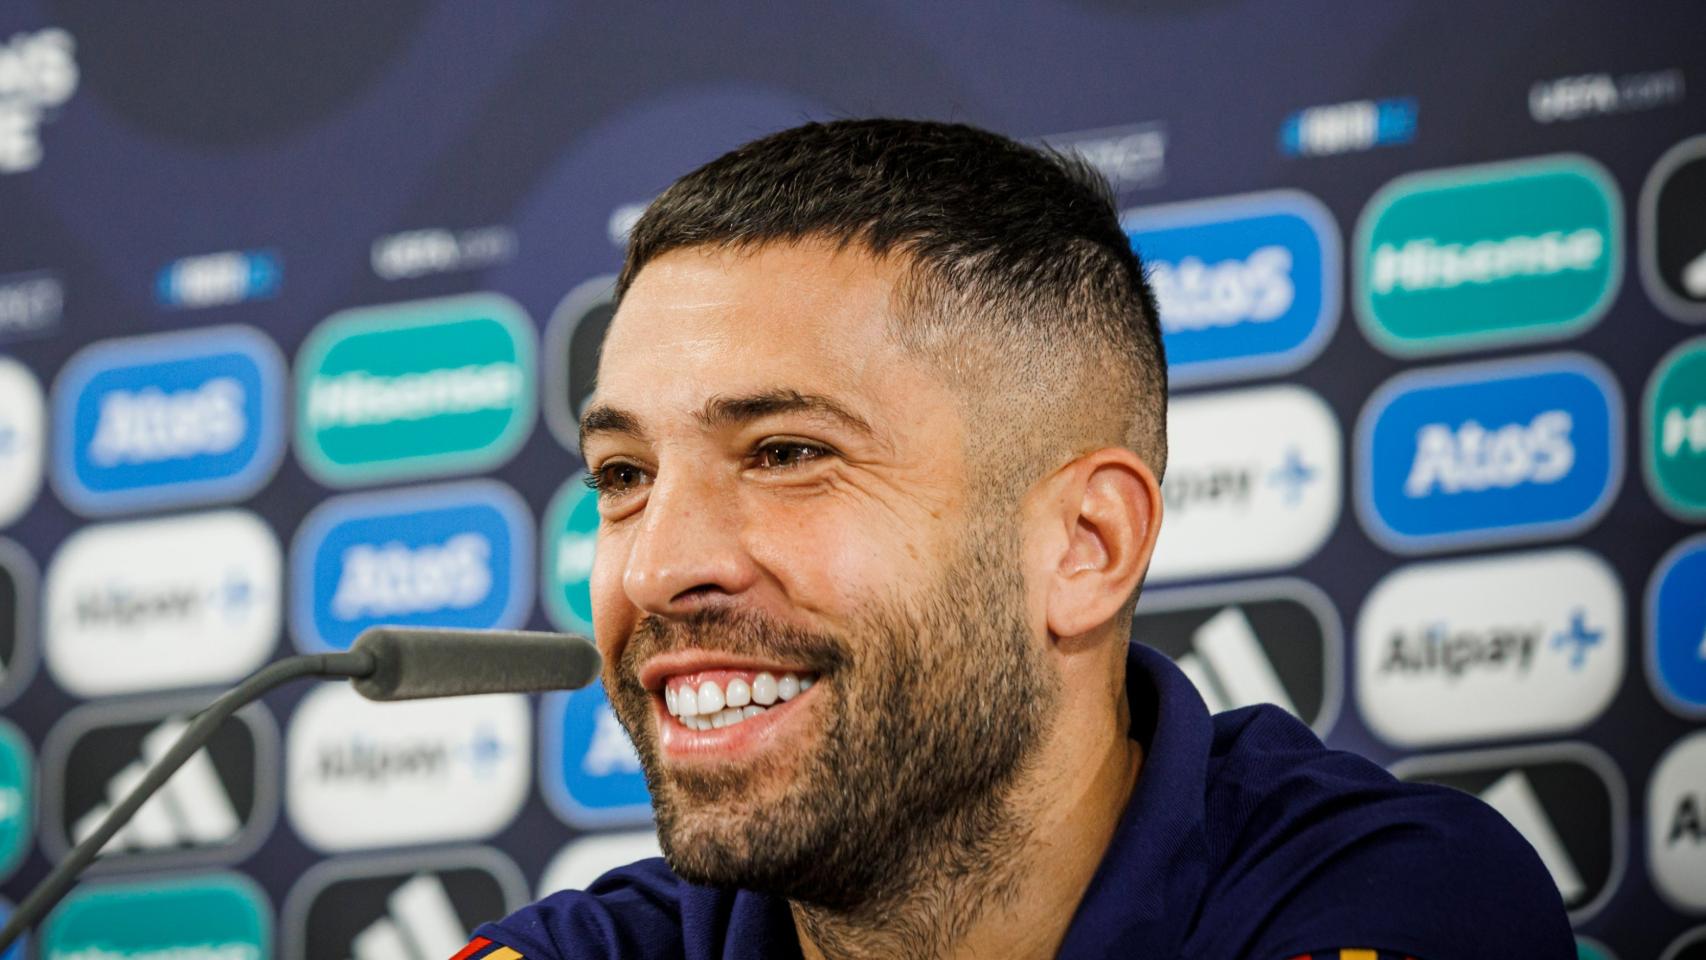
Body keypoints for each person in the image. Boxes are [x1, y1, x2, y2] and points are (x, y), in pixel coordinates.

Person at [456, 119, 1572, 960]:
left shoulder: (1392, 898)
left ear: (1084, 544)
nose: (653, 564)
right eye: (622, 476)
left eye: (786, 454)